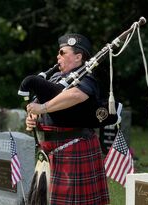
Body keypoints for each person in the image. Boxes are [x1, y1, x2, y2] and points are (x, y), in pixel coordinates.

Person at [25, 33, 110, 205]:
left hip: (74, 146)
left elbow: (76, 95)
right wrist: (33, 117)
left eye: (62, 52)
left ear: (78, 57)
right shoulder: (55, 78)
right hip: (50, 150)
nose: (58, 56)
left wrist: (43, 108)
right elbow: (37, 104)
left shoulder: (87, 78)